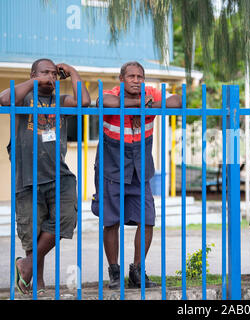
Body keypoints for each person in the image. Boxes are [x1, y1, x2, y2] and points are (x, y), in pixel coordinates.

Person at [0, 58, 91, 294]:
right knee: (33, 233)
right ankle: (37, 283)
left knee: (64, 219)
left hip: (59, 176)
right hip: (27, 177)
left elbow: (84, 102)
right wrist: (33, 82)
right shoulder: (23, 99)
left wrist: (72, 71)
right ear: (33, 73)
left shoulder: (60, 101)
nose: (50, 77)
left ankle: (25, 266)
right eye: (44, 73)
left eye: (53, 73)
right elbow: (4, 99)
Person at [91, 61, 182, 289]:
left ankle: (137, 271)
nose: (136, 80)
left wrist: (147, 101)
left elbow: (177, 102)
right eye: (131, 76)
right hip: (111, 167)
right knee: (111, 222)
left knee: (147, 219)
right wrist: (143, 104)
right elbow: (104, 102)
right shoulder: (113, 93)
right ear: (121, 79)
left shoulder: (152, 92)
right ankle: (114, 272)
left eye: (140, 77)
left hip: (140, 169)